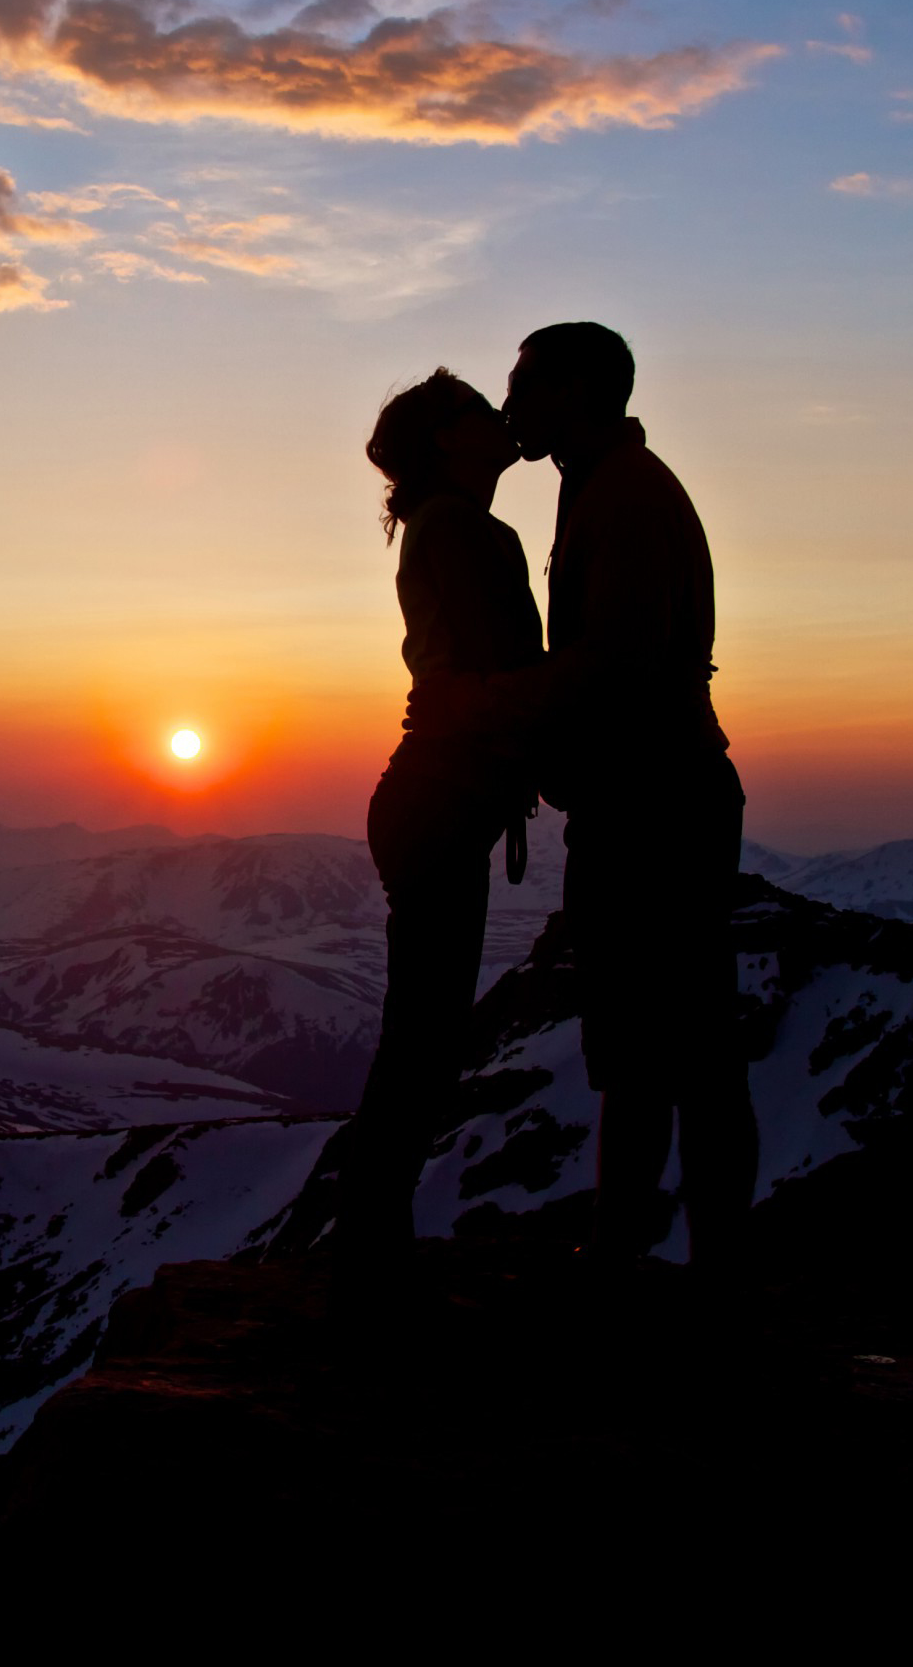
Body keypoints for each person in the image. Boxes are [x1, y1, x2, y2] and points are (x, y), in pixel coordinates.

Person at [486, 321, 752, 1273]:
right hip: (650, 794)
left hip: (655, 802)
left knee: (669, 1048)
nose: (509, 400)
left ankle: (654, 1263)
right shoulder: (599, 487)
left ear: (577, 389)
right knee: (662, 1042)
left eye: (526, 382)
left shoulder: (627, 500)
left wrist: (496, 702)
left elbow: (618, 665)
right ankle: (649, 1257)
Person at [334, 368, 543, 1257]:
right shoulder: (460, 529)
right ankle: (370, 1250)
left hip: (437, 803)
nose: (498, 415)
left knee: (422, 1038)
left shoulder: (456, 527)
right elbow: (466, 686)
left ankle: (373, 1244)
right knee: (423, 1044)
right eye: (475, 409)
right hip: (442, 800)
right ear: (448, 440)